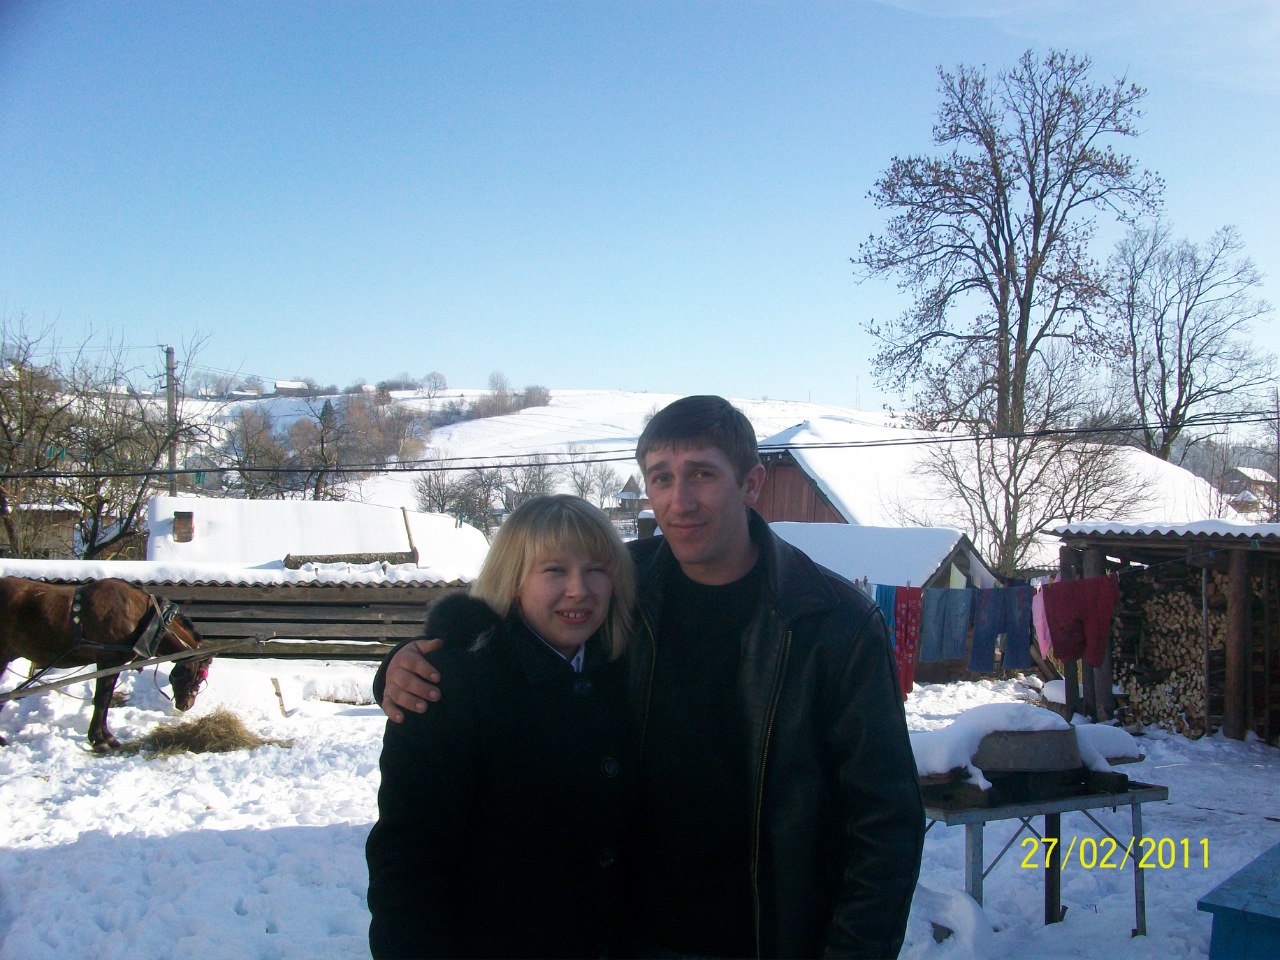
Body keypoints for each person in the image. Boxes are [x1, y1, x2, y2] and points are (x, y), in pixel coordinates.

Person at [376, 396, 925, 958]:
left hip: (767, 937)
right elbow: (506, 633)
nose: (679, 501)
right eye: (661, 477)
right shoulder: (621, 582)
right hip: (620, 934)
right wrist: (411, 663)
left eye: (702, 474)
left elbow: (884, 821)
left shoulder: (832, 621)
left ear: (752, 483)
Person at [365, 494, 635, 959]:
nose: (579, 590)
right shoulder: (448, 684)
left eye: (596, 569)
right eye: (554, 570)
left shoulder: (627, 668)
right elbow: (410, 855)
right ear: (513, 580)